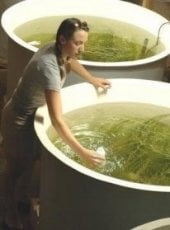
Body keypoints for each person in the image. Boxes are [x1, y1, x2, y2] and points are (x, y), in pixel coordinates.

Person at [1, 17, 111, 229]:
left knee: (29, 162)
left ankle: (21, 198)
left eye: (84, 43)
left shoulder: (57, 48)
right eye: (78, 43)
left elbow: (71, 60)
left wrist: (93, 79)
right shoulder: (49, 67)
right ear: (63, 40)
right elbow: (57, 120)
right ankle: (7, 212)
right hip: (18, 121)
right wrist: (83, 152)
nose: (82, 48)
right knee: (14, 169)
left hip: (30, 116)